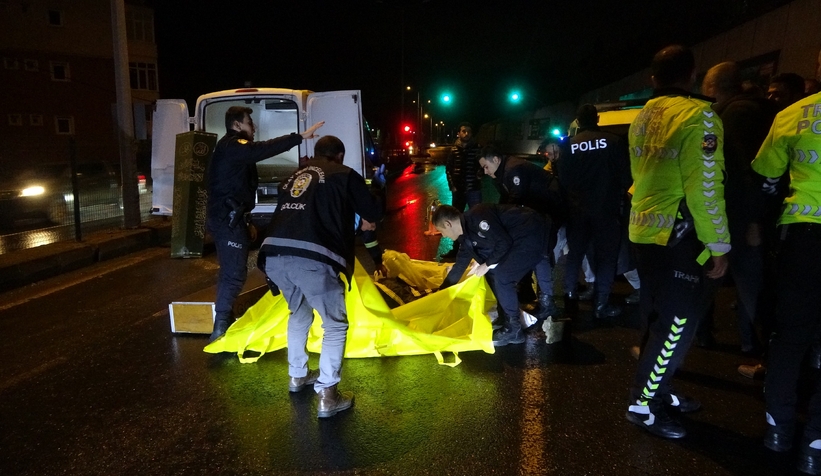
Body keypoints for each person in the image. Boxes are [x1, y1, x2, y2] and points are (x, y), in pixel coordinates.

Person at [624, 45, 730, 439]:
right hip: (677, 236)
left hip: (643, 231)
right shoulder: (699, 117)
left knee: (656, 320)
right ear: (691, 75)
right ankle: (643, 404)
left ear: (653, 79)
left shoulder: (643, 116)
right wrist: (719, 245)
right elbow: (705, 188)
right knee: (676, 325)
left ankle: (659, 390)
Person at [259, 135, 382, 418]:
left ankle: (297, 375)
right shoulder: (343, 174)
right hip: (312, 256)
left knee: (299, 313)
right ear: (339, 155)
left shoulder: (294, 175)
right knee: (335, 325)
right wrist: (377, 188)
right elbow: (372, 213)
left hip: (274, 254)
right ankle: (328, 394)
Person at [752, 65, 821, 474]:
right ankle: (815, 444)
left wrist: (756, 226)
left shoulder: (796, 113)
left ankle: (777, 430)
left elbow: (766, 176)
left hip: (802, 236)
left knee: (790, 337)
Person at [207, 106, 323, 342]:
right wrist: (299, 137)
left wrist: (246, 219)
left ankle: (224, 320)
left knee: (231, 270)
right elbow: (262, 149)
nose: (254, 126)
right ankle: (220, 329)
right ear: (237, 125)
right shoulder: (232, 146)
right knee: (234, 274)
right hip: (226, 219)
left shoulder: (232, 149)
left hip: (232, 217)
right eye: (250, 122)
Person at [701, 62, 778, 357]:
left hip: (733, 216)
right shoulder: (764, 111)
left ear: (712, 88)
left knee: (714, 278)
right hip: (751, 215)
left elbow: (739, 171)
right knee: (752, 284)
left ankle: (703, 337)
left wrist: (752, 219)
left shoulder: (732, 116)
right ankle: (752, 343)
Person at [433, 203, 553, 346]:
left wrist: (487, 264)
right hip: (522, 238)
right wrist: (441, 292)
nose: (443, 236)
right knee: (492, 273)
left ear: (448, 224)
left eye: (441, 231)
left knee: (503, 277)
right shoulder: (465, 237)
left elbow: (503, 242)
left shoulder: (478, 216)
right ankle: (505, 316)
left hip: (534, 233)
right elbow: (459, 266)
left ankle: (514, 329)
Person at [558, 104, 632, 319]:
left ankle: (570, 297)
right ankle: (601, 304)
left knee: (575, 255)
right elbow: (626, 177)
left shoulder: (569, 145)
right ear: (597, 118)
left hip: (578, 210)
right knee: (606, 258)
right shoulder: (614, 142)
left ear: (578, 122)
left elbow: (563, 179)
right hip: (606, 210)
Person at [477, 145, 563, 321]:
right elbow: (507, 202)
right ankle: (533, 294)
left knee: (542, 255)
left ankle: (547, 303)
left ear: (495, 159)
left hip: (550, 212)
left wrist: (499, 217)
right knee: (536, 253)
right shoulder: (503, 171)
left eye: (486, 166)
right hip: (540, 213)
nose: (485, 171)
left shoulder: (513, 169)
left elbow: (516, 198)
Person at [442, 122, 482, 260]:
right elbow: (448, 169)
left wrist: (480, 174)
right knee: (455, 219)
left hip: (473, 189)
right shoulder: (454, 150)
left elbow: (482, 167)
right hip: (458, 190)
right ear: (459, 133)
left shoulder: (477, 149)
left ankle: (477, 251)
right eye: (464, 131)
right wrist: (452, 185)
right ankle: (455, 251)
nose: (466, 134)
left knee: (476, 219)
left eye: (469, 131)